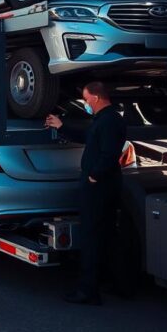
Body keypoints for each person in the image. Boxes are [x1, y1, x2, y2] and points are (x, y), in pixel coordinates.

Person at [45, 81, 127, 305]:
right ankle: (118, 283)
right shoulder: (106, 118)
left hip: (99, 185)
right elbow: (88, 136)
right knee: (107, 234)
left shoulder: (108, 121)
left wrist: (94, 175)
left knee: (91, 235)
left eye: (86, 99)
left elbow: (109, 153)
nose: (85, 103)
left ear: (96, 98)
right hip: (106, 184)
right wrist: (61, 126)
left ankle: (88, 290)